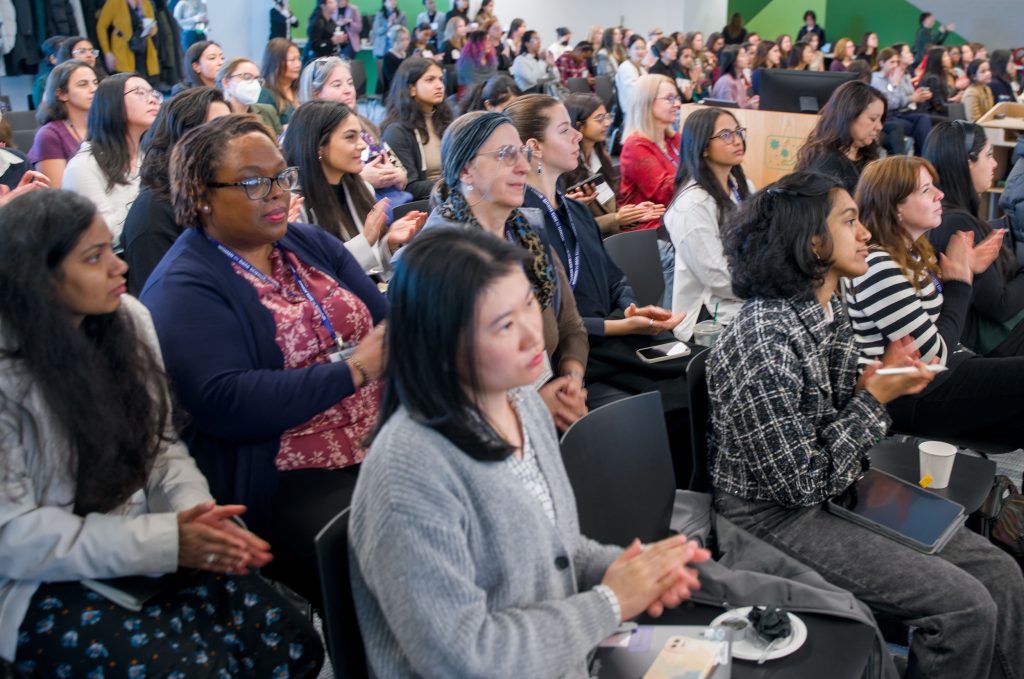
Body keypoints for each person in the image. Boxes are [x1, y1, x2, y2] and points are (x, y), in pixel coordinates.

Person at [350, 226, 710, 676]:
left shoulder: (523, 403)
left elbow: (553, 547)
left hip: (564, 656)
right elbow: (464, 658)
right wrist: (612, 599)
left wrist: (628, 571)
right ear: (440, 345)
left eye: (528, 305)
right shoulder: (408, 471)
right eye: (503, 325)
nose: (533, 336)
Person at [710, 169, 1024, 679]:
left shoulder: (822, 313)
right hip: (773, 514)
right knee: (965, 608)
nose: (865, 234)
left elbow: (831, 431)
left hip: (834, 486)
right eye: (850, 221)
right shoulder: (763, 341)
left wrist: (868, 389)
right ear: (812, 243)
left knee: (1002, 574)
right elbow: (799, 484)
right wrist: (874, 399)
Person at [0, 188, 323, 677]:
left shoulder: (126, 319)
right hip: (38, 578)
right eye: (95, 257)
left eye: (112, 249)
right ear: (40, 280)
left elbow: (161, 446)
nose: (120, 268)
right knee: (192, 666)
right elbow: (16, 537)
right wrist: (166, 540)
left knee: (288, 643)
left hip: (141, 539)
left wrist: (197, 517)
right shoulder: (8, 373)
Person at [140, 114, 389, 608]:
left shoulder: (306, 243)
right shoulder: (184, 284)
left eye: (281, 176)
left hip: (377, 435)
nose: (277, 193)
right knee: (387, 556)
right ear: (201, 194)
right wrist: (353, 369)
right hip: (285, 467)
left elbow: (388, 321)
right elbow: (226, 401)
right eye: (255, 183)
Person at [414, 111, 590, 430]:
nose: (523, 166)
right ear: (466, 169)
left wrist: (571, 381)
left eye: (522, 152)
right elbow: (442, 382)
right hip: (479, 433)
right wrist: (533, 405)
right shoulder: (436, 259)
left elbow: (571, 327)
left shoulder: (527, 233)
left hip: (545, 410)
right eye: (506, 155)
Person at [507, 94, 685, 408]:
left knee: (696, 366)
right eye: (564, 130)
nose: (577, 135)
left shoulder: (576, 210)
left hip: (614, 336)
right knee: (677, 393)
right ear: (534, 147)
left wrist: (631, 310)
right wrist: (617, 326)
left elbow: (615, 280)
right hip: (578, 352)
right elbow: (545, 322)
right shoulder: (518, 224)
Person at [847, 155, 1024, 448]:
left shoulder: (911, 254)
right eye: (926, 190)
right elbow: (934, 357)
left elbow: (940, 323)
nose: (940, 194)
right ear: (895, 206)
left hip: (947, 374)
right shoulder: (877, 266)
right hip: (917, 394)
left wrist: (966, 273)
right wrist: (960, 281)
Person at [282, 100, 424, 275]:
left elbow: (372, 269)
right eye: (350, 137)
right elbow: (315, 274)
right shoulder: (296, 204)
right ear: (319, 146)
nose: (363, 145)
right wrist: (365, 241)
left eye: (361, 135)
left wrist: (389, 243)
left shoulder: (361, 188)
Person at [923, 121, 1024, 356]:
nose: (995, 163)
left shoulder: (947, 215)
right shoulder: (957, 223)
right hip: (986, 341)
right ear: (967, 163)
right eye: (988, 155)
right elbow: (1000, 306)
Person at [121, 87, 230, 295]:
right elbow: (164, 301)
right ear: (182, 139)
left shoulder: (221, 193)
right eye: (217, 129)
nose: (232, 139)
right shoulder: (153, 213)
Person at [664, 107, 751, 341]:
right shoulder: (692, 205)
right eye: (725, 135)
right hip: (709, 321)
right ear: (703, 148)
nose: (737, 140)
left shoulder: (741, 186)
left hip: (743, 298)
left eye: (738, 131)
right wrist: (770, 285)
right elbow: (718, 278)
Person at [63, 73, 159, 241]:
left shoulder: (150, 155)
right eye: (139, 92)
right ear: (111, 103)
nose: (152, 100)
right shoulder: (82, 166)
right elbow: (106, 233)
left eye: (152, 93)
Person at [297, 56, 408, 198]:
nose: (348, 90)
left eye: (350, 83)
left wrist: (398, 176)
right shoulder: (304, 134)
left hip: (393, 202)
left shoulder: (365, 124)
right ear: (315, 93)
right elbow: (310, 187)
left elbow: (401, 172)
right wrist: (361, 180)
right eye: (337, 85)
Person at [563, 93, 663, 236]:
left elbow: (612, 209)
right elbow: (574, 226)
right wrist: (616, 219)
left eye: (607, 116)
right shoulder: (565, 169)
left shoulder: (601, 157)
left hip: (615, 239)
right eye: (599, 119)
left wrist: (633, 214)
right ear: (579, 126)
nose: (607, 123)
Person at [618, 74, 680, 306]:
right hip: (649, 232)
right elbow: (664, 193)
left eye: (677, 97)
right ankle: (675, 325)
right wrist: (699, 166)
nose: (677, 104)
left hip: (675, 222)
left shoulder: (673, 140)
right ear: (647, 103)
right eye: (669, 98)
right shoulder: (635, 146)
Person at [381, 57, 453, 199]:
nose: (439, 86)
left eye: (440, 79)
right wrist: (456, 187)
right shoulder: (396, 131)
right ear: (411, 88)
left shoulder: (447, 122)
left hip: (452, 198)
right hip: (426, 207)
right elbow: (410, 186)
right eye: (430, 80)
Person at [796, 81, 886, 193]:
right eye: (873, 119)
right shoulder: (823, 163)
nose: (879, 127)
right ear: (849, 116)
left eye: (880, 120)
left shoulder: (868, 156)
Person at [28, 60, 97, 188]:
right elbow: (57, 193)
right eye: (83, 84)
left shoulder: (104, 126)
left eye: (95, 83)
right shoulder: (49, 135)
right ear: (62, 94)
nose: (93, 89)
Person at [870, 47, 933, 154]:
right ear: (881, 63)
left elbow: (900, 100)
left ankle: (924, 157)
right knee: (917, 127)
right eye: (892, 62)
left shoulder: (893, 76)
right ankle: (922, 156)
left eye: (897, 62)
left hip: (898, 113)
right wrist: (894, 85)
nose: (895, 65)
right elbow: (890, 104)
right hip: (885, 116)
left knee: (923, 119)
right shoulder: (877, 80)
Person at [216, 57, 283, 136]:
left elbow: (279, 144)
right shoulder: (216, 114)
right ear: (226, 82)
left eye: (257, 79)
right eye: (247, 77)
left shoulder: (268, 111)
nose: (254, 83)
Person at [96, 0, 159, 78]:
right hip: (124, 51)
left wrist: (152, 30)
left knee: (148, 82)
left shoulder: (145, 2)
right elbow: (101, 27)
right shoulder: (114, 2)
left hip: (144, 50)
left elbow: (153, 24)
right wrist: (107, 53)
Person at [259, 38, 302, 126]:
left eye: (298, 59)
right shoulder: (266, 95)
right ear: (276, 63)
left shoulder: (299, 90)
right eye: (292, 60)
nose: (298, 64)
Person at [371, 0, 407, 93]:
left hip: (397, 49)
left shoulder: (401, 14)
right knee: (384, 74)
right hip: (382, 48)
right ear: (384, 2)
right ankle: (383, 94)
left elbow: (404, 30)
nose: (393, 2)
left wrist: (395, 24)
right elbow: (377, 31)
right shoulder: (379, 14)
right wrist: (388, 25)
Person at [614, 36, 649, 126]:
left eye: (642, 48)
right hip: (631, 114)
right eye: (636, 48)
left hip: (642, 110)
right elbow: (634, 93)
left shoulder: (642, 69)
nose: (640, 51)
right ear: (628, 51)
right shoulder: (625, 68)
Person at [456, 27, 498, 94]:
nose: (489, 43)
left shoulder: (490, 59)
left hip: (488, 91)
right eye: (485, 40)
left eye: (489, 40)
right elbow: (473, 82)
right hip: (469, 94)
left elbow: (494, 77)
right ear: (476, 44)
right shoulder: (466, 61)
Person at [917, 46, 956, 116]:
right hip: (930, 114)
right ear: (938, 59)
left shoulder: (939, 75)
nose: (949, 58)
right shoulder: (933, 78)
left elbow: (941, 100)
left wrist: (954, 100)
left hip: (935, 112)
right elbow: (938, 106)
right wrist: (956, 107)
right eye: (945, 56)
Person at [381, 25, 411, 93]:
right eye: (402, 40)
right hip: (393, 92)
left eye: (407, 39)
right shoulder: (388, 57)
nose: (406, 42)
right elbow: (393, 79)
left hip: (405, 88)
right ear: (394, 40)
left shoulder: (406, 54)